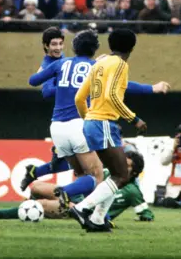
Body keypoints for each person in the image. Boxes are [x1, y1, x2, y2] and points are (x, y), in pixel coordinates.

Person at [26, 30, 169, 202]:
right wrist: (152, 88)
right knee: (97, 176)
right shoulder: (95, 66)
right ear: (95, 49)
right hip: (78, 124)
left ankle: (83, 212)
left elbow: (33, 81)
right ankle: (68, 195)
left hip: (56, 127)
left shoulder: (61, 64)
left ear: (73, 47)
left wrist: (47, 65)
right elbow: (125, 86)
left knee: (81, 174)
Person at [69, 29, 149, 232]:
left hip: (92, 122)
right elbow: (112, 95)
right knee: (122, 175)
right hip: (104, 122)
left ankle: (97, 220)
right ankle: (82, 208)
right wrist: (134, 119)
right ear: (132, 47)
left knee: (115, 175)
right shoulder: (120, 64)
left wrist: (88, 118)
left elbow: (79, 97)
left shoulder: (100, 63)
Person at [0, 150, 153, 222]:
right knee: (36, 186)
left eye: (128, 166)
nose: (122, 166)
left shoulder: (131, 191)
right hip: (76, 199)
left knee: (41, 205)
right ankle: (26, 211)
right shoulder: (108, 174)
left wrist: (144, 217)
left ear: (135, 172)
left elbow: (147, 213)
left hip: (82, 212)